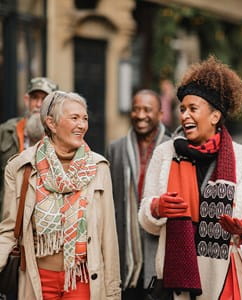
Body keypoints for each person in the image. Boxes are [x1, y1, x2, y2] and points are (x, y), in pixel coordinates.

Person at [138, 56, 242, 300]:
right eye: (182, 109)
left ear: (215, 116)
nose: (185, 116)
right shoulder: (164, 153)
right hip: (176, 280)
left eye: (193, 109)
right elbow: (145, 217)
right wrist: (156, 208)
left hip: (226, 278)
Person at [0, 91, 121, 300]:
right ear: (52, 124)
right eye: (74, 118)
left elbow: (108, 237)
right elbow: (9, 229)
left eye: (84, 119)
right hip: (37, 279)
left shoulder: (98, 167)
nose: (82, 125)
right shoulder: (21, 167)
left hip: (82, 279)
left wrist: (112, 293)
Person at [107, 89, 171, 299]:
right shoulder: (115, 149)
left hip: (161, 251)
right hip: (125, 251)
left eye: (147, 109)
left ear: (160, 114)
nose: (140, 115)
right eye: (136, 109)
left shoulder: (174, 149)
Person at [0, 77, 58, 219]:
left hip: (45, 219)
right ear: (27, 100)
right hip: (9, 216)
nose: (38, 105)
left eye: (44, 99)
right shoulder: (6, 132)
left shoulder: (61, 137)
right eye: (34, 98)